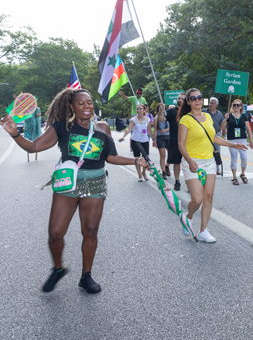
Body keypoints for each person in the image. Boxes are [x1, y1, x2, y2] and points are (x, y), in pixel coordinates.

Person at [0, 88, 147, 294]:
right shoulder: (61, 127)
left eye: (89, 103)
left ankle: (86, 276)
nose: (87, 107)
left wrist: (136, 161)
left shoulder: (103, 127)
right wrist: (15, 133)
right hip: (68, 184)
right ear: (71, 106)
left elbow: (110, 157)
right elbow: (33, 147)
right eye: (81, 103)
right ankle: (58, 268)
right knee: (55, 233)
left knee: (90, 231)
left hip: (95, 183)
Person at [177, 88, 247, 242]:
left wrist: (233, 145)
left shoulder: (207, 116)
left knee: (208, 197)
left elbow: (214, 137)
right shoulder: (185, 120)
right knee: (197, 199)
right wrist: (189, 160)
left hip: (209, 161)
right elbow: (181, 144)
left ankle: (203, 230)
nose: (197, 100)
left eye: (199, 97)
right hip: (193, 162)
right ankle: (188, 216)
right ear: (188, 102)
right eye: (193, 98)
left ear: (203, 99)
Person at [224, 98, 253, 185]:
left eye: (238, 105)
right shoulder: (229, 116)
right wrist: (225, 119)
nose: (236, 106)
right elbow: (222, 127)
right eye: (234, 105)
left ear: (241, 107)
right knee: (234, 158)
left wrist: (251, 141)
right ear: (232, 106)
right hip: (232, 140)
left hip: (242, 139)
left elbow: (248, 129)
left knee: (244, 158)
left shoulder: (244, 117)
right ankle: (234, 177)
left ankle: (242, 174)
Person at [119, 104, 153, 182]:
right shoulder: (133, 119)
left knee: (146, 158)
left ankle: (143, 172)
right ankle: (139, 175)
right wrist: (124, 136)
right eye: (137, 109)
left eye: (140, 109)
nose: (138, 110)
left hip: (145, 141)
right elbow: (129, 129)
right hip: (136, 141)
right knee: (137, 159)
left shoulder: (147, 119)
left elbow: (149, 131)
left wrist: (154, 140)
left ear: (144, 110)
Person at [166, 93, 185, 191]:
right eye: (179, 98)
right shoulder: (171, 111)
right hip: (175, 141)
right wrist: (161, 111)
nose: (180, 100)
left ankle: (191, 183)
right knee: (176, 163)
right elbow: (161, 119)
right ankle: (177, 181)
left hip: (188, 142)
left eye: (182, 98)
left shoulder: (189, 112)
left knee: (189, 163)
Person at [203, 97, 227, 175]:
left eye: (212, 103)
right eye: (210, 103)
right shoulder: (203, 112)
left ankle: (217, 168)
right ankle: (205, 167)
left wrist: (225, 135)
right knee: (206, 151)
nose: (210, 104)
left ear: (216, 105)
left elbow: (222, 126)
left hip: (216, 134)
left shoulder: (219, 114)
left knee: (217, 151)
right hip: (205, 135)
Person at [153, 103, 170, 179]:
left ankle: (167, 166)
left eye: (163, 107)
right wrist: (154, 140)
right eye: (160, 107)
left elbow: (173, 127)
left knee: (171, 155)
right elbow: (155, 130)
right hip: (160, 137)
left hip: (169, 136)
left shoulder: (168, 116)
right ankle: (163, 172)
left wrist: (166, 130)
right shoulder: (156, 118)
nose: (161, 108)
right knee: (162, 155)